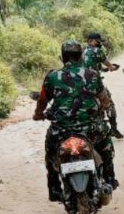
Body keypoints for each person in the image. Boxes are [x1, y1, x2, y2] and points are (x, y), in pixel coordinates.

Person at [34, 40, 116, 197]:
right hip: (91, 129)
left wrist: (38, 114)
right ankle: (110, 178)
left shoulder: (52, 76)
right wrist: (103, 107)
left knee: (51, 152)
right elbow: (104, 99)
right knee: (106, 146)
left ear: (62, 57)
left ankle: (54, 187)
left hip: (61, 130)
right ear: (81, 56)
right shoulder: (93, 74)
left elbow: (42, 101)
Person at [82, 31, 123, 139]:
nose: (99, 43)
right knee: (109, 104)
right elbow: (108, 64)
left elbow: (91, 65)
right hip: (95, 84)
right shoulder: (97, 51)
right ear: (90, 41)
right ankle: (114, 129)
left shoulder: (82, 51)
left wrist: (103, 69)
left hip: (81, 84)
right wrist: (112, 67)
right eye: (97, 41)